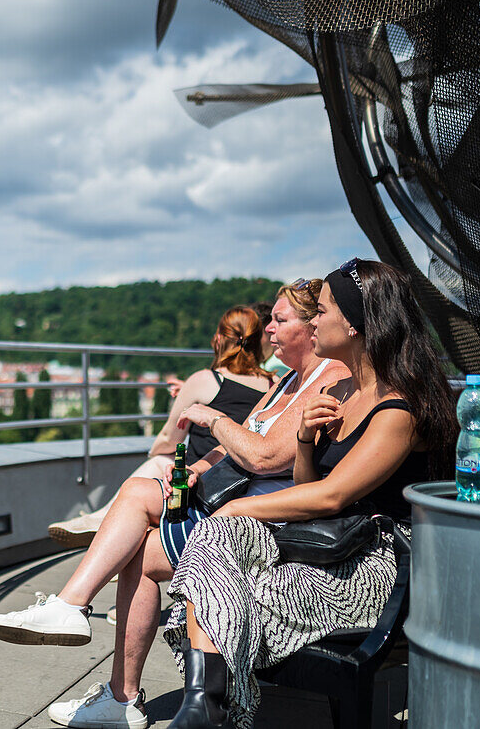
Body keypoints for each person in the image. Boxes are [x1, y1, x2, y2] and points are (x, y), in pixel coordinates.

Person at [0, 280, 348, 729]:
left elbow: (264, 454)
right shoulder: (288, 379)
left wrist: (213, 419)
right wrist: (203, 467)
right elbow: (248, 438)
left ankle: (108, 675)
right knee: (138, 500)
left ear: (313, 326)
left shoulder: (328, 377)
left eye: (279, 319)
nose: (267, 328)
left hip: (264, 525)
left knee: (139, 539)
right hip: (233, 504)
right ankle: (82, 628)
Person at [162, 259, 454, 729]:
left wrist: (240, 505)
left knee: (237, 585)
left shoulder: (399, 407)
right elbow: (307, 491)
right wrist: (303, 439)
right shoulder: (341, 390)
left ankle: (208, 709)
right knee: (216, 544)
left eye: (321, 312)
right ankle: (204, 710)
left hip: (375, 565)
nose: (313, 321)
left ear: (357, 324)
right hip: (324, 545)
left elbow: (331, 498)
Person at [47, 305, 275, 548]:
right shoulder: (275, 384)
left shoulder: (205, 380)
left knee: (161, 460)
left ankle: (103, 522)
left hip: (202, 479)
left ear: (219, 339)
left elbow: (169, 436)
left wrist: (154, 453)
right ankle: (105, 524)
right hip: (245, 480)